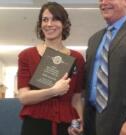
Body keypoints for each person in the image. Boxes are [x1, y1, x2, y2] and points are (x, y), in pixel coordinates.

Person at [69, 0, 126, 135]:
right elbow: (88, 83)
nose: (104, 2)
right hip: (92, 124)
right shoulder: (94, 39)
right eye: (100, 0)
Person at [17, 2, 84, 135]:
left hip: (66, 124)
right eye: (45, 19)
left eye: (55, 19)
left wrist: (80, 121)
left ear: (64, 23)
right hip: (35, 124)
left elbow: (76, 98)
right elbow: (23, 97)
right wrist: (53, 90)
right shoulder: (27, 55)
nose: (49, 24)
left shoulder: (77, 58)